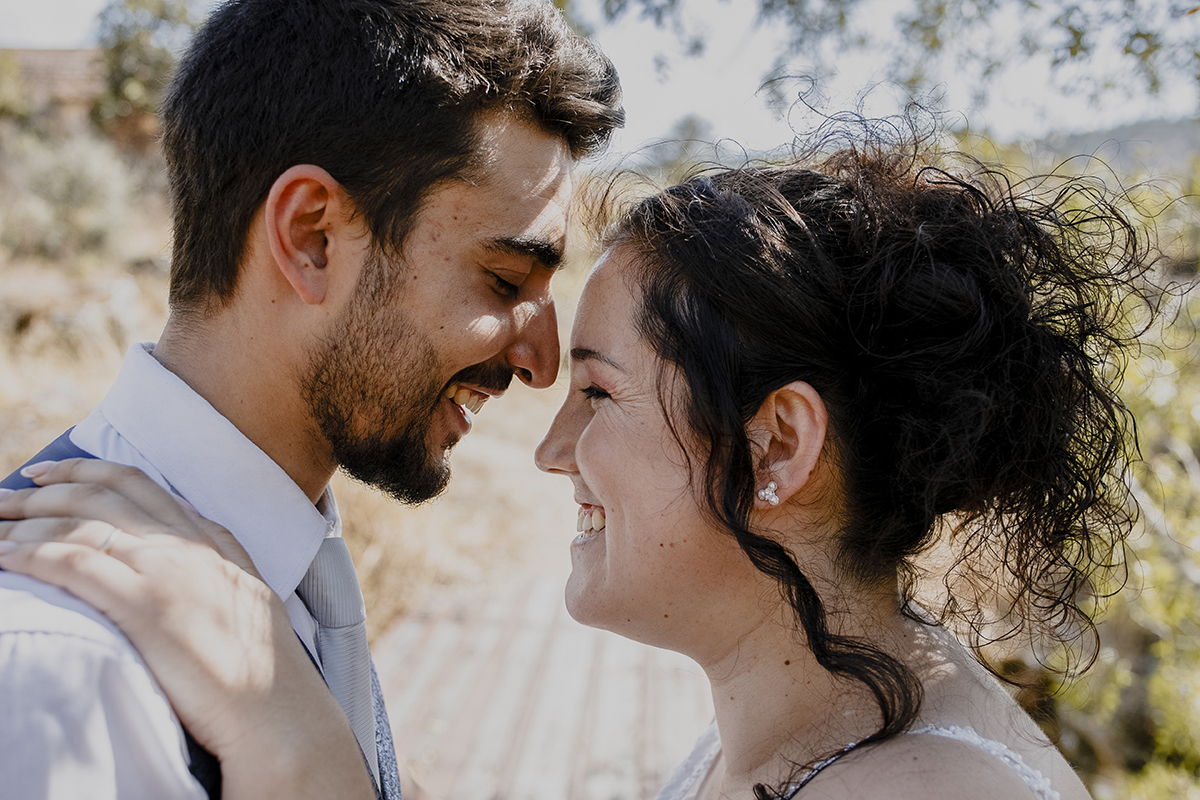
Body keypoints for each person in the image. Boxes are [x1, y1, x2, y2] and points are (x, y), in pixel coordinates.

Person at [0, 132, 1148, 799]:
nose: (551, 448)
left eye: (598, 392)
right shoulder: (841, 713)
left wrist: (300, 751)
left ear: (778, 445)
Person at [0, 0, 623, 798]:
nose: (540, 363)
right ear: (311, 238)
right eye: (503, 279)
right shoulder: (60, 677)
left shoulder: (289, 571)